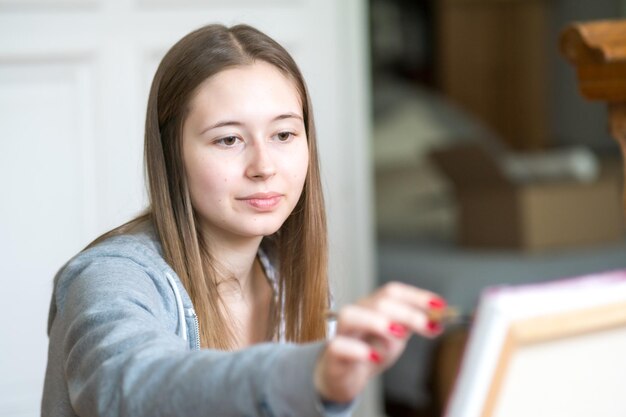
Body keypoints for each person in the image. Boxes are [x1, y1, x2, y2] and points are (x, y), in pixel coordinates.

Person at [41, 23, 447, 417]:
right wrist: (307, 373)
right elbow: (127, 387)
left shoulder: (294, 282)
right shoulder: (110, 277)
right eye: (228, 139)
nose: (263, 166)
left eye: (284, 135)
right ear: (171, 155)